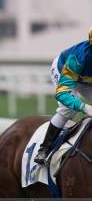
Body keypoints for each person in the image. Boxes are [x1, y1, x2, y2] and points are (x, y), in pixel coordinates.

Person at [34, 26, 92, 164]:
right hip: (64, 71)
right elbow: (62, 94)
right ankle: (44, 149)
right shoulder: (78, 58)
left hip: (87, 78)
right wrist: (85, 107)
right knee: (69, 109)